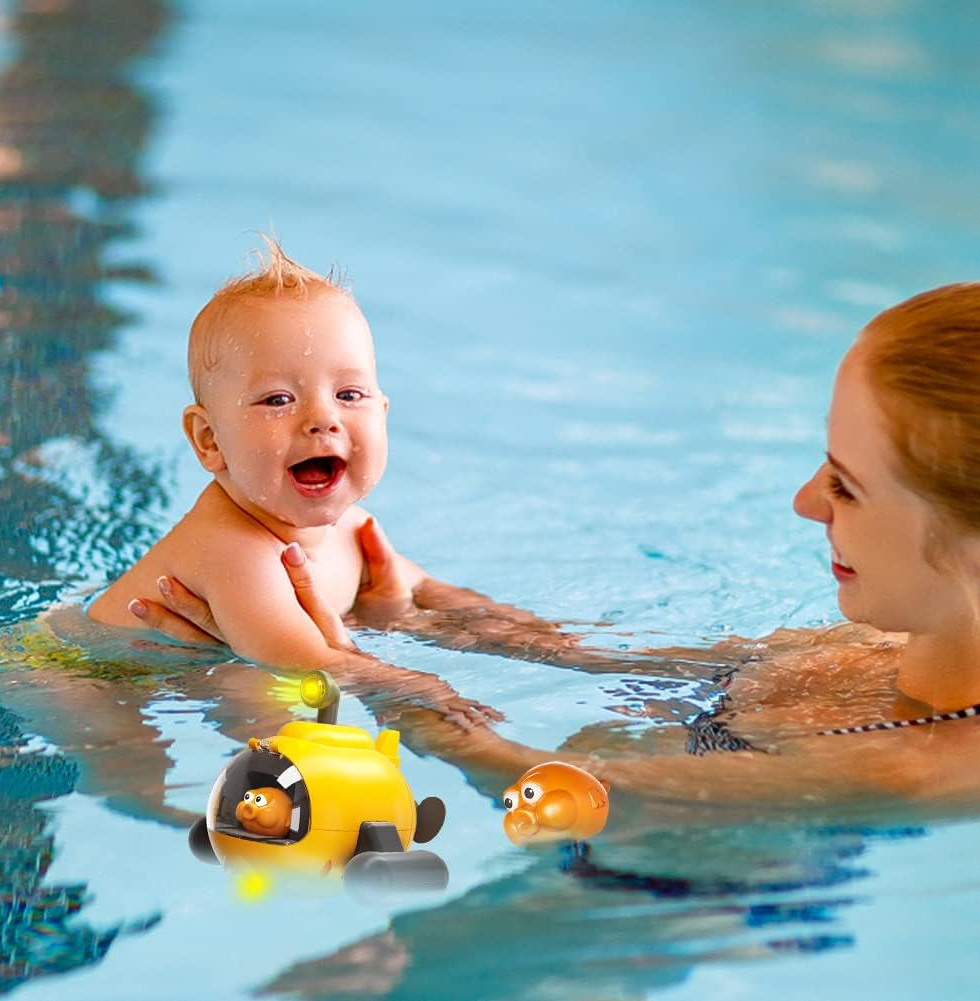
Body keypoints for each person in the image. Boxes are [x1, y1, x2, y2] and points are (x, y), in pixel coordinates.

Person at [136, 283, 980, 811]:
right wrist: (420, 619)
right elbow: (617, 663)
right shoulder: (890, 641)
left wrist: (368, 674)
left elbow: (558, 793)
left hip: (641, 900)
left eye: (846, 483)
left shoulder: (906, 765)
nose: (803, 501)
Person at [86, 238, 515, 721]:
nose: (323, 418)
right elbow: (304, 663)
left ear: (384, 412)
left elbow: (440, 599)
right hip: (80, 681)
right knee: (139, 777)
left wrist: (577, 652)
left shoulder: (355, 530)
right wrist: (420, 685)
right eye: (277, 400)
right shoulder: (234, 548)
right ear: (209, 440)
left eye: (350, 394)